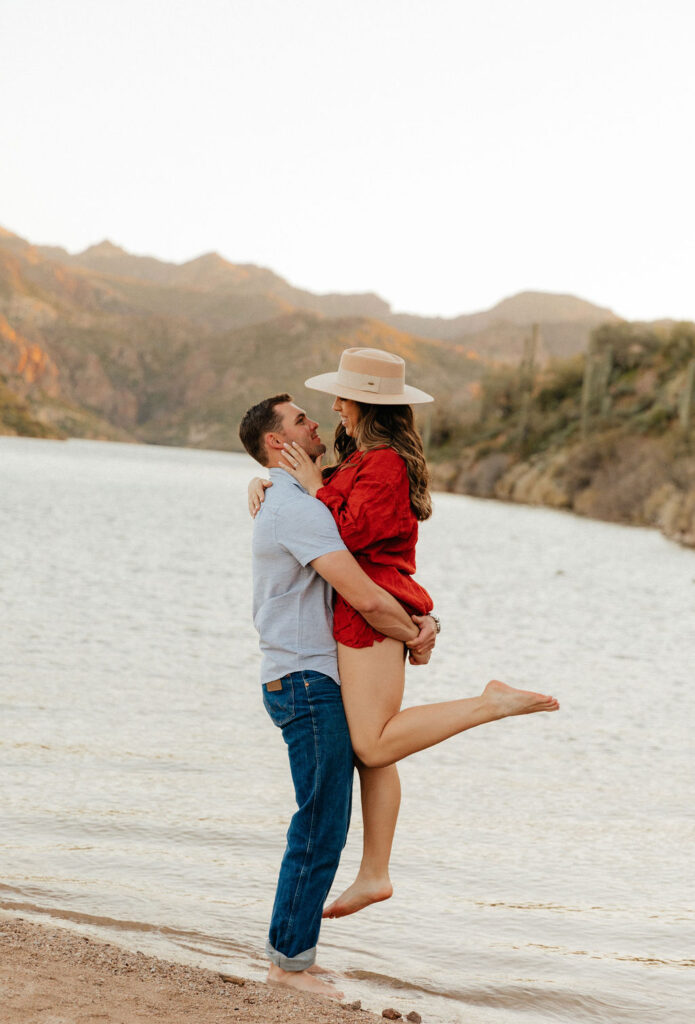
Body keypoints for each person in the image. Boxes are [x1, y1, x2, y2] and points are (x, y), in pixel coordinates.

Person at [250, 348, 560, 922]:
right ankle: (375, 872)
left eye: (342, 397)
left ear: (363, 403)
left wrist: (314, 486)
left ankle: (488, 704)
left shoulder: (385, 462)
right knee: (376, 750)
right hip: (359, 606)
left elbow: (350, 533)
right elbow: (317, 508)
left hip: (367, 609)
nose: (334, 406)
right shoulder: (360, 460)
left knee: (373, 742)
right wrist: (267, 484)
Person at [238, 394, 436, 1001]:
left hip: (313, 677)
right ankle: (287, 966)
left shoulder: (295, 498)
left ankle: (294, 956)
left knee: (330, 811)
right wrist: (419, 635)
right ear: (279, 443)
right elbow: (366, 596)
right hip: (305, 681)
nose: (315, 421)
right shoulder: (294, 508)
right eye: (300, 420)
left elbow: (361, 532)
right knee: (321, 823)